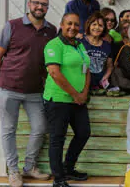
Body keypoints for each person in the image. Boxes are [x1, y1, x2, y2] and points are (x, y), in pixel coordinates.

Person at [0, 0, 56, 187]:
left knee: (41, 127)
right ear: (29, 4)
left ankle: (29, 167)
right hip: (8, 87)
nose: (40, 7)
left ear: (47, 8)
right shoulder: (13, 25)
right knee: (8, 130)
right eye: (36, 3)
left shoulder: (51, 31)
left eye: (44, 4)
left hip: (35, 90)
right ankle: (14, 171)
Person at [43, 13, 91, 186]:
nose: (73, 27)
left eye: (76, 24)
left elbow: (86, 70)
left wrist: (84, 93)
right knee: (57, 138)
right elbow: (55, 73)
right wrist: (75, 94)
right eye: (69, 23)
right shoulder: (54, 45)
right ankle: (59, 178)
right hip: (58, 100)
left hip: (78, 101)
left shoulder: (80, 45)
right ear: (61, 25)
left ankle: (68, 168)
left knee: (84, 133)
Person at [80, 12, 114, 91]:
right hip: (81, 84)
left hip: (98, 86)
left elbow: (110, 65)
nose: (97, 28)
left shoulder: (107, 46)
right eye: (94, 24)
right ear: (89, 25)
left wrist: (104, 78)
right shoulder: (80, 42)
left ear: (104, 28)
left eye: (100, 25)